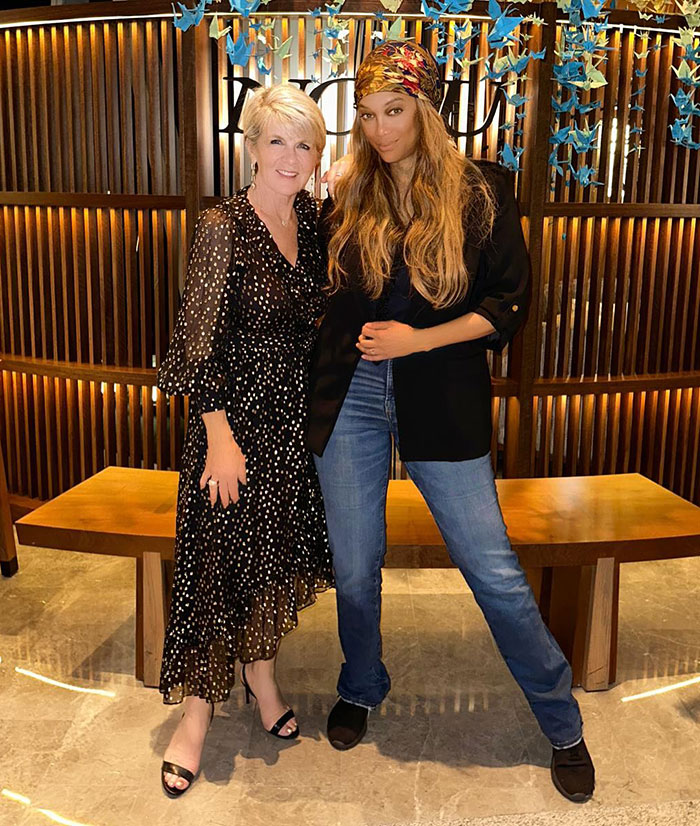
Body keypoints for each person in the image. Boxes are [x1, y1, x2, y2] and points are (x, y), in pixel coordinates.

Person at [308, 41, 595, 803]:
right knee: (353, 567)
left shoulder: (482, 191)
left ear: (427, 110)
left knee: (493, 571)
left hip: (442, 389)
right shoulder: (351, 192)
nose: (379, 130)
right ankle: (362, 683)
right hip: (355, 394)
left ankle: (561, 719)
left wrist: (418, 340)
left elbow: (509, 304)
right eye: (366, 116)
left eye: (394, 112)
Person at [156, 83, 333, 797]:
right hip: (230, 425)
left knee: (271, 557)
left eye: (307, 144)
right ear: (252, 145)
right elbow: (194, 344)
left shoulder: (316, 222)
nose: (291, 157)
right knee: (216, 563)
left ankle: (261, 674)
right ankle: (195, 716)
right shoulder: (221, 224)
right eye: (278, 140)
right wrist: (219, 437)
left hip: (292, 426)